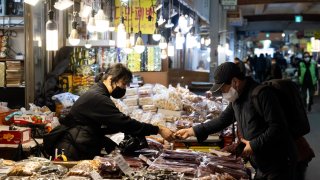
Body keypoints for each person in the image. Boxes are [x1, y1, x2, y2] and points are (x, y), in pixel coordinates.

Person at [174, 62, 297, 180]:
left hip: (278, 164)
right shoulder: (236, 100)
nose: (223, 93)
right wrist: (192, 131)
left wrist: (254, 144)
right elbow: (222, 120)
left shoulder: (262, 94)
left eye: (223, 89)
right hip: (260, 163)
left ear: (235, 82)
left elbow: (278, 127)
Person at [54, 63, 174, 160]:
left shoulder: (99, 92)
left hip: (80, 144)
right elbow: (124, 123)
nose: (124, 88)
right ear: (111, 79)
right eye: (123, 83)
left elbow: (112, 124)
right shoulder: (99, 98)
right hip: (73, 148)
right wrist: (158, 129)